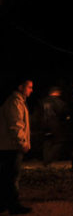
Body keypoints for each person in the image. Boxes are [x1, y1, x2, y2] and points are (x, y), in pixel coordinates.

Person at [0, 77, 32, 215]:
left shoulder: (17, 102)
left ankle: (3, 204)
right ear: (21, 87)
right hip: (12, 146)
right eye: (29, 87)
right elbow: (16, 125)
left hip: (9, 145)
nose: (31, 90)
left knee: (7, 176)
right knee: (12, 177)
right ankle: (13, 205)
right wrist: (22, 142)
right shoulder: (15, 103)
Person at [40, 86, 71, 166]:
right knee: (60, 141)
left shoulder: (42, 101)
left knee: (47, 142)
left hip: (44, 125)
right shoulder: (58, 102)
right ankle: (48, 160)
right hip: (55, 125)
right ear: (56, 92)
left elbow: (38, 114)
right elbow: (63, 112)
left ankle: (46, 161)